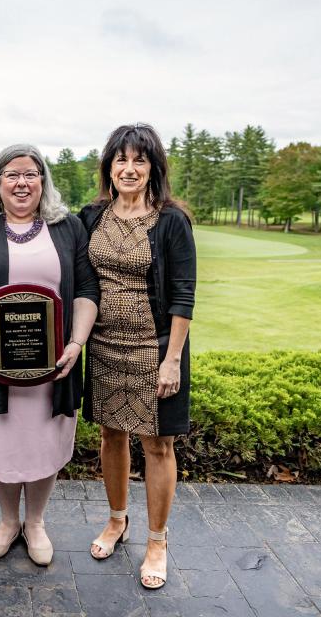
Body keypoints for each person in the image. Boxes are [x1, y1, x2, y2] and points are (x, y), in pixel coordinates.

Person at [0, 144, 99, 566]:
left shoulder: (67, 228)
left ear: (43, 181)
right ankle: (8, 520)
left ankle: (35, 522)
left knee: (44, 443)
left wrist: (75, 344)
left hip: (54, 366)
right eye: (11, 174)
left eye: (31, 174)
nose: (21, 182)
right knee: (2, 442)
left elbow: (87, 288)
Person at [80, 124, 196, 590]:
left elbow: (184, 296)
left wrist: (172, 360)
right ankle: (116, 520)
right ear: (109, 167)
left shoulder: (171, 221)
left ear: (153, 168)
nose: (129, 169)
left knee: (157, 445)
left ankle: (156, 540)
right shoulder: (92, 216)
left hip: (155, 349)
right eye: (120, 160)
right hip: (105, 346)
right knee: (111, 435)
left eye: (139, 160)